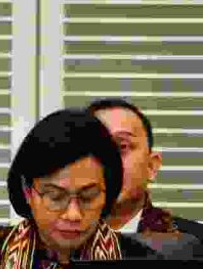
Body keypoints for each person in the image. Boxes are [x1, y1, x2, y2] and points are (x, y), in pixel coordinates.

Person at [0, 108, 155, 269]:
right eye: (56, 197)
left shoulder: (140, 262)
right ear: (27, 192)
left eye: (88, 197)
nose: (73, 214)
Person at [87, 98, 203, 256]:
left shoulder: (195, 245)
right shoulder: (54, 247)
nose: (108, 161)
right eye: (95, 149)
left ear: (151, 166)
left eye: (122, 146)